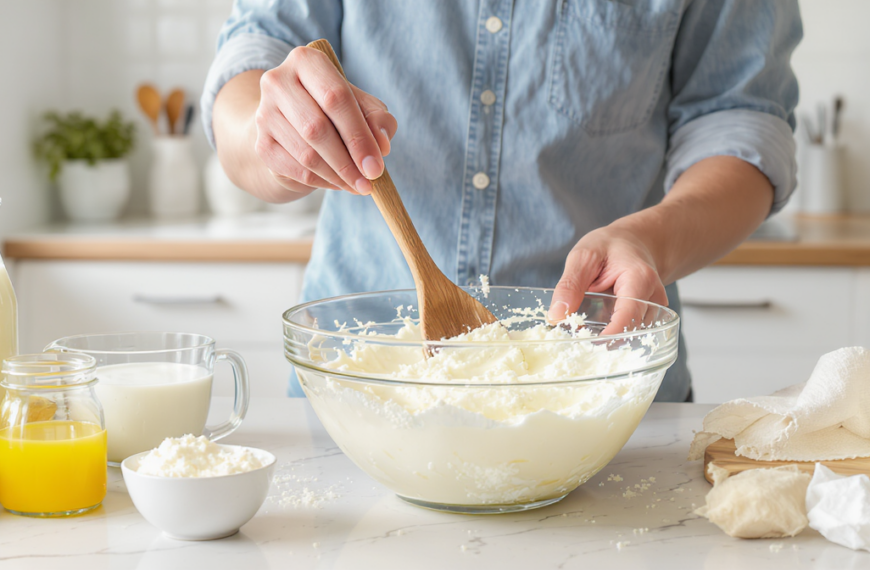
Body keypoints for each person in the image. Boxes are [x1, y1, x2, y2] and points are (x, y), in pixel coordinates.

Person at [203, 0, 802, 402]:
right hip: (349, 393)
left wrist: (652, 239)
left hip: (605, 390)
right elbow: (248, 69)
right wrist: (277, 138)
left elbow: (741, 122)